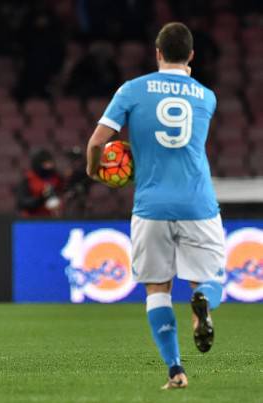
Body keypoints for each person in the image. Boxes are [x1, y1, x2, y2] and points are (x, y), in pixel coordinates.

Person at [86, 22, 225, 389]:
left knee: (156, 288)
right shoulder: (206, 96)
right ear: (191, 56)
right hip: (198, 202)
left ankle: (176, 370)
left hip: (150, 205)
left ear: (157, 52)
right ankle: (202, 303)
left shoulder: (132, 90)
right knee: (210, 280)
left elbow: (97, 142)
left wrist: (95, 172)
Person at [16, 148, 63, 217]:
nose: (49, 165)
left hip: (53, 218)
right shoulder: (28, 179)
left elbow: (63, 194)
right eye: (46, 163)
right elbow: (22, 203)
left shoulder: (57, 178)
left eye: (50, 162)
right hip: (33, 219)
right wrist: (41, 198)